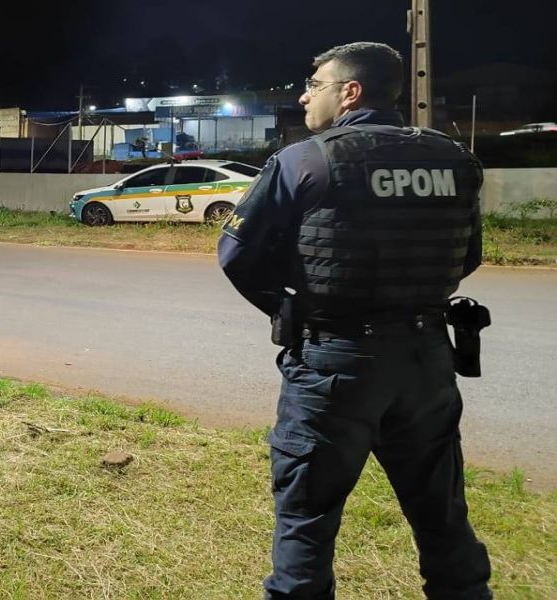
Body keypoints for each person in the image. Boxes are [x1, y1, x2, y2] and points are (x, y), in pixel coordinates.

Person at [216, 42, 491, 599]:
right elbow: (468, 258)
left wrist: (290, 307)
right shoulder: (454, 159)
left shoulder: (306, 160)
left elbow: (237, 255)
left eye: (314, 84)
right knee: (442, 513)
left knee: (307, 518)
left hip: (334, 365)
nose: (304, 94)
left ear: (350, 92)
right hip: (426, 362)